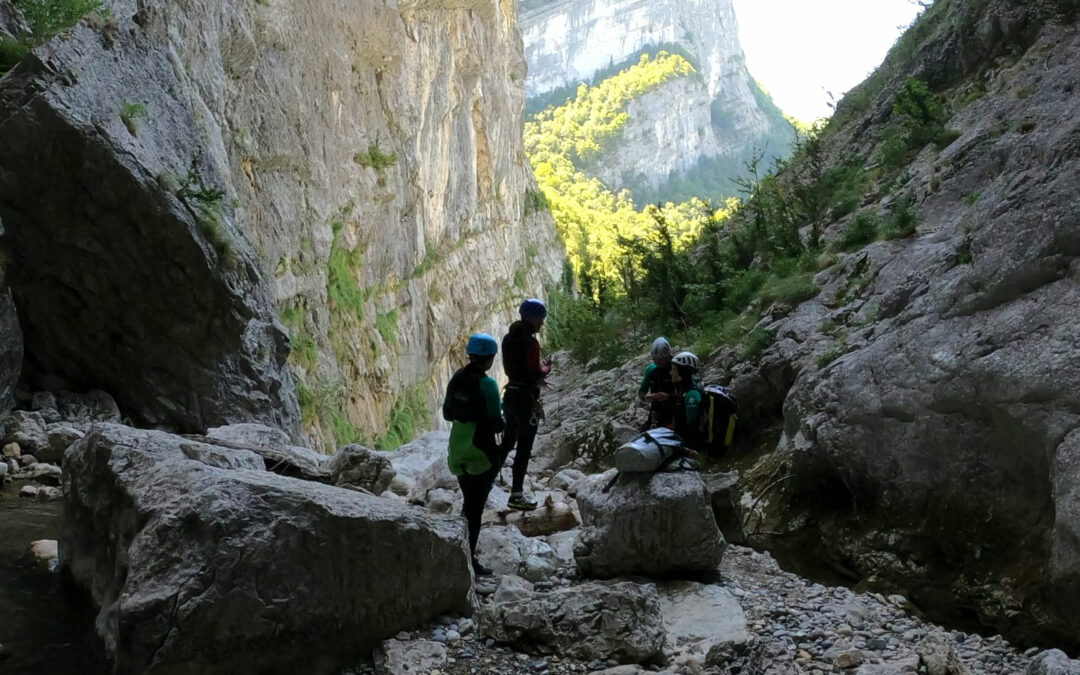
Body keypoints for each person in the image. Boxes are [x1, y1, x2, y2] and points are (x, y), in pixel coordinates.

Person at [443, 333, 504, 576]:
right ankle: (467, 562)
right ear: (489, 359)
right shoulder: (487, 385)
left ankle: (459, 551)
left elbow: (448, 413)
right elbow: (497, 423)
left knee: (469, 504)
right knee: (474, 510)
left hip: (458, 449)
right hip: (481, 453)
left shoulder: (457, 377)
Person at [500, 298, 551, 511]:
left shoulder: (507, 339)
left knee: (506, 444)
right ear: (531, 317)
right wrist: (546, 368)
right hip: (526, 400)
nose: (541, 323)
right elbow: (534, 372)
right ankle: (517, 495)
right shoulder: (531, 343)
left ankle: (484, 485)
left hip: (511, 395)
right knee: (523, 448)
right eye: (540, 319)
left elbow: (515, 369)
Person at [638, 337, 675, 429]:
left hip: (676, 412)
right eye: (655, 359)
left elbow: (687, 392)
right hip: (657, 412)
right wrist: (645, 397)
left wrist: (669, 397)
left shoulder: (676, 368)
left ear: (668, 356)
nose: (658, 362)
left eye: (661, 359)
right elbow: (642, 391)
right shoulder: (651, 370)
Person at [669, 351, 704, 449]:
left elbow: (691, 428)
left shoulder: (691, 395)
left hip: (689, 449)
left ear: (682, 373)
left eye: (674, 370)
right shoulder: (684, 391)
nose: (671, 373)